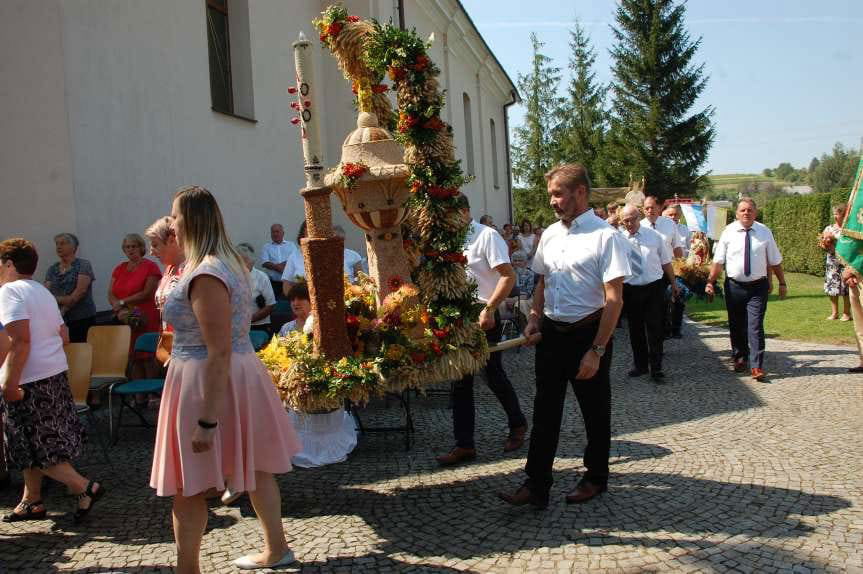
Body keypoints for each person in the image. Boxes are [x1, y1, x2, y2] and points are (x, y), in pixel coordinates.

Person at [150, 186, 301, 572]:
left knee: (188, 485)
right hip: (234, 372)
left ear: (191, 219)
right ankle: (277, 548)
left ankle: (188, 569)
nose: (171, 223)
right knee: (256, 468)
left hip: (207, 378)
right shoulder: (226, 262)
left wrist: (206, 421)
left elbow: (216, 350)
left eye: (175, 215)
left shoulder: (205, 271)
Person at [498, 163, 630, 509]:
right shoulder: (551, 234)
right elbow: (543, 281)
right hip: (552, 334)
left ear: (580, 192)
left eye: (558, 194)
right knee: (545, 411)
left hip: (589, 333)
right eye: (551, 195)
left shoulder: (606, 236)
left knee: (595, 412)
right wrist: (534, 318)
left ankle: (596, 477)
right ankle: (536, 483)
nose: (552, 201)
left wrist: (597, 350)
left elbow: (614, 299)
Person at [0, 238, 105, 523]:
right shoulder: (42, 291)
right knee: (35, 442)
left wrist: (9, 383)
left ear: (8, 264)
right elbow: (64, 335)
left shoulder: (9, 292)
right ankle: (31, 500)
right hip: (54, 373)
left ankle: (85, 487)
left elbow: (20, 340)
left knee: (36, 448)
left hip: (29, 379)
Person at [435, 195, 528, 466]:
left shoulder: (487, 236)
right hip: (457, 315)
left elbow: (508, 276)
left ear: (465, 211)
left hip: (483, 312)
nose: (446, 220)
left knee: (492, 374)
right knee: (460, 380)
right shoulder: (447, 239)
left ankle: (517, 424)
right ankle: (464, 444)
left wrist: (489, 309)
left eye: (450, 214)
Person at [705, 198, 786, 382]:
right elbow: (718, 261)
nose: (746, 213)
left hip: (758, 287)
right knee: (736, 324)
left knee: (755, 325)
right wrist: (710, 281)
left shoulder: (764, 232)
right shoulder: (728, 232)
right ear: (737, 213)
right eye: (742, 210)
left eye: (750, 210)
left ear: (755, 213)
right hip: (734, 286)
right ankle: (740, 357)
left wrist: (782, 283)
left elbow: (774, 260)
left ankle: (757, 365)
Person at [618, 205, 680, 382]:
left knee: (655, 328)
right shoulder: (618, 239)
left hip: (653, 287)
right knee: (635, 329)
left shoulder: (653, 236)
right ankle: (640, 365)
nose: (629, 224)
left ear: (639, 217)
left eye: (632, 219)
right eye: (625, 221)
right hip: (630, 289)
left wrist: (674, 283)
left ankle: (656, 368)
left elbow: (665, 261)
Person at [108, 233, 162, 345]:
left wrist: (122, 302)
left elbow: (147, 293)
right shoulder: (119, 268)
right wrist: (119, 309)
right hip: (122, 316)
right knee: (124, 351)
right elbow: (110, 292)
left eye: (134, 246)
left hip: (144, 316)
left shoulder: (151, 266)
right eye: (127, 247)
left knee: (144, 349)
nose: (130, 249)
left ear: (141, 248)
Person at [44, 233, 97, 343]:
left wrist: (62, 307)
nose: (58, 247)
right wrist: (63, 302)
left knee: (82, 350)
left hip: (81, 319)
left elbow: (79, 293)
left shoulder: (83, 265)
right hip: (59, 320)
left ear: (74, 247)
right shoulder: (52, 269)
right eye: (57, 244)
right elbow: (45, 294)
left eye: (62, 243)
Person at [662, 205, 691, 339]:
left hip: (681, 269)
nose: (673, 217)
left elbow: (690, 249)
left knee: (679, 298)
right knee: (664, 299)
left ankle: (676, 328)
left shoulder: (685, 230)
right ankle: (665, 328)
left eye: (676, 215)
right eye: (670, 215)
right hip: (664, 268)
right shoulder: (662, 228)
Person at [236, 243, 276, 334]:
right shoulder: (231, 276)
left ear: (252, 261)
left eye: (245, 260)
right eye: (238, 261)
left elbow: (270, 305)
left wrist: (250, 319)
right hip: (236, 326)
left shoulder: (262, 277)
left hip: (258, 326)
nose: (241, 265)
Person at [822, 205, 851, 321]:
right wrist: (825, 243)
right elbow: (822, 244)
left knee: (846, 287)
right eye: (834, 213)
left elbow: (849, 242)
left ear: (844, 216)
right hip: (832, 262)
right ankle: (834, 313)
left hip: (845, 261)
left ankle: (846, 314)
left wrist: (833, 237)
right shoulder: (828, 228)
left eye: (837, 214)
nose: (835, 216)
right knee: (832, 287)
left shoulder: (848, 229)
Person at [260, 224, 299, 300]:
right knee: (273, 302)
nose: (275, 234)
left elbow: (294, 260)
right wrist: (280, 268)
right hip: (273, 284)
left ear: (283, 233)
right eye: (273, 232)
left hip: (289, 283)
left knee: (289, 302)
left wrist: (277, 266)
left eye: (277, 231)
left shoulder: (291, 245)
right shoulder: (266, 247)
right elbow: (265, 263)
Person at [281, 222, 308, 297]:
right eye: (307, 235)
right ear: (302, 236)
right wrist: (294, 300)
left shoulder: (328, 255)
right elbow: (286, 284)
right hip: (301, 299)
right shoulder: (294, 256)